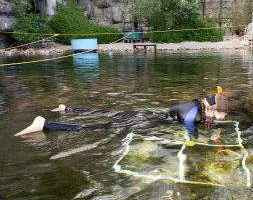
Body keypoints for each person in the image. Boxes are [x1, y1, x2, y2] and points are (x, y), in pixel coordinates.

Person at [14, 86, 228, 137]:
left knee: (108, 113)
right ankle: (45, 125)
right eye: (220, 114)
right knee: (98, 127)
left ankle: (66, 108)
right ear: (210, 109)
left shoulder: (196, 105)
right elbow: (192, 137)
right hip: (143, 120)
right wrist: (207, 137)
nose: (222, 117)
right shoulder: (194, 116)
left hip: (146, 113)